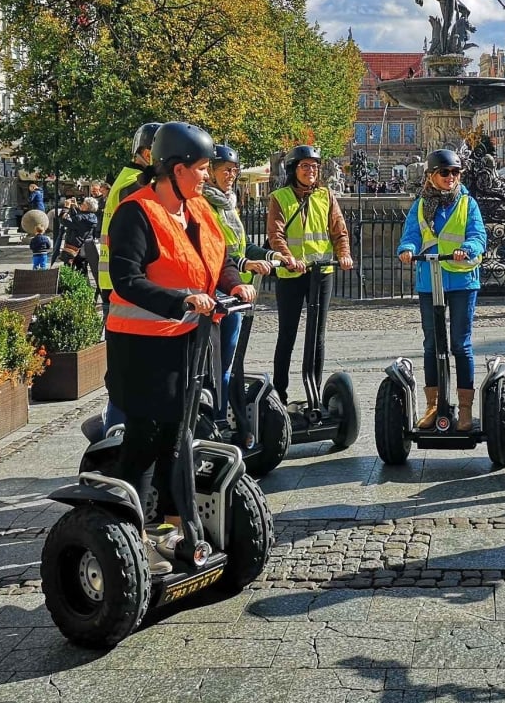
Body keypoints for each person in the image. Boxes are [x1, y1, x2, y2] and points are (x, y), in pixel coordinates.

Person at [104, 122, 254, 574]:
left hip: (186, 340)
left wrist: (233, 284)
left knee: (180, 436)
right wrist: (179, 300)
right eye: (202, 168)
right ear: (174, 168)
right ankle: (134, 534)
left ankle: (172, 528)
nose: (207, 175)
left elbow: (219, 258)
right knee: (146, 437)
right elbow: (128, 280)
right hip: (141, 345)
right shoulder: (136, 212)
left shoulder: (199, 210)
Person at [397, 148, 487, 430]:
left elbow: (478, 235)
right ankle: (433, 404)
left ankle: (464, 407)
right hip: (429, 279)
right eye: (444, 172)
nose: (450, 177)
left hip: (462, 279)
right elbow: (411, 234)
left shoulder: (467, 203)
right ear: (432, 175)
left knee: (461, 344)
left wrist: (467, 248)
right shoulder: (421, 205)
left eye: (455, 172)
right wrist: (407, 249)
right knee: (432, 344)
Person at [268, 145, 354, 406]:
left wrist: (344, 254)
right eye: (305, 166)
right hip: (292, 273)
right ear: (294, 169)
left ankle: (314, 392)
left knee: (317, 334)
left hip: (321, 271)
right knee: (287, 334)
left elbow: (339, 230)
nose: (311, 171)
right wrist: (287, 257)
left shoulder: (326, 196)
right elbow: (276, 234)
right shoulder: (280, 197)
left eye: (314, 166)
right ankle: (279, 392)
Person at [202, 144, 279, 419]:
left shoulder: (227, 203)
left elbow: (240, 246)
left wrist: (272, 254)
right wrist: (245, 264)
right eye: (225, 170)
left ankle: (224, 414)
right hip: (215, 291)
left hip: (236, 292)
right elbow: (217, 250)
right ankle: (217, 419)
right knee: (218, 364)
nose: (231, 175)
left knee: (230, 361)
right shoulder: (204, 204)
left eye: (234, 170)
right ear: (210, 172)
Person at [99, 123, 160, 302]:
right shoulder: (136, 184)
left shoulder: (129, 178)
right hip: (126, 281)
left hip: (117, 277)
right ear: (148, 154)